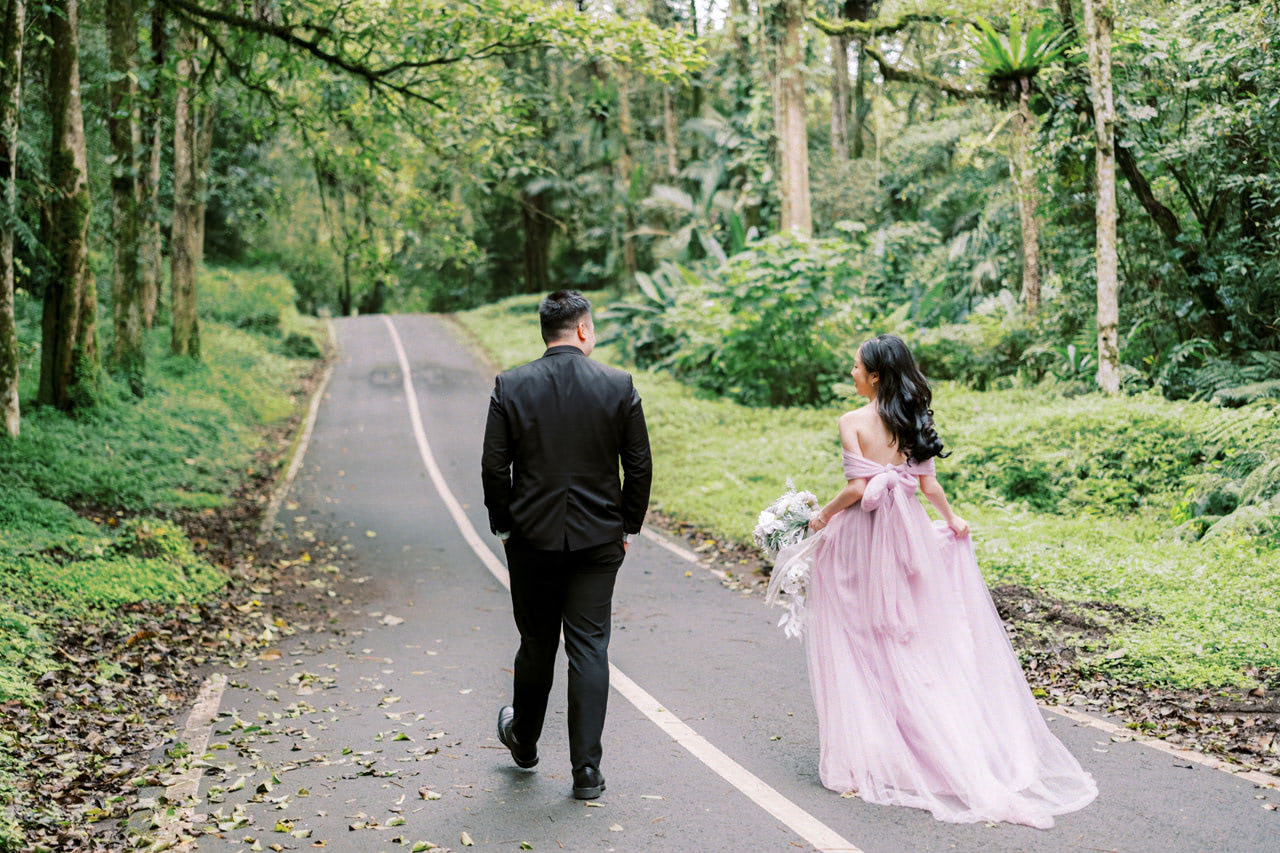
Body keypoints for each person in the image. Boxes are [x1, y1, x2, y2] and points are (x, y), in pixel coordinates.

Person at [796, 334, 1097, 828]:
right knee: (907, 638)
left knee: (857, 638)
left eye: (855, 368)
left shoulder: (851, 421)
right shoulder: (911, 420)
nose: (850, 374)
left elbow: (856, 488)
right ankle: (928, 746)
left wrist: (820, 517)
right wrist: (952, 519)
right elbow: (928, 484)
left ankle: (868, 757)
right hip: (907, 536)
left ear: (874, 376)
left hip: (861, 540)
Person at [481, 290, 652, 800]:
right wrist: (628, 527)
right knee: (589, 647)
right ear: (583, 331)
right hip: (599, 540)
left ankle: (525, 742)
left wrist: (505, 527)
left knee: (536, 644)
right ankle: (586, 772)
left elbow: (494, 467)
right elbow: (638, 465)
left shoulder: (510, 385)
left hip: (531, 541)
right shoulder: (618, 385)